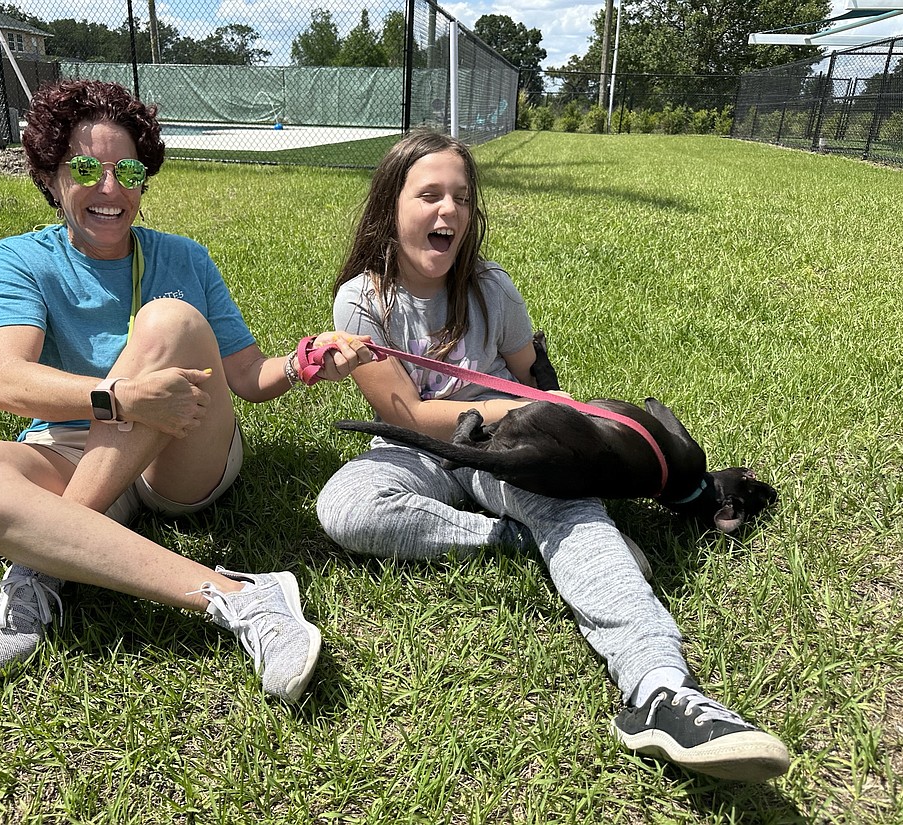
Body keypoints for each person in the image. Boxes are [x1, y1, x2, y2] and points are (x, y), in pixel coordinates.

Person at [316, 130, 791, 781]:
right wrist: (523, 413)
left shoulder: (491, 287)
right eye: (429, 194)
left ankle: (662, 689)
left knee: (573, 511)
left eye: (461, 196)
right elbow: (408, 417)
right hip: (417, 452)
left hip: (505, 450)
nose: (448, 211)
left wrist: (555, 425)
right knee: (346, 506)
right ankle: (513, 540)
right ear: (390, 206)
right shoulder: (362, 301)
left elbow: (528, 376)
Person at [0, 79, 371, 703]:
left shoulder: (184, 258)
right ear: (50, 176)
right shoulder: (20, 259)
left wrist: (302, 364)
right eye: (85, 168)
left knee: (170, 319)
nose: (110, 189)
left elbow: (246, 379)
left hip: (178, 455)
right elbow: (12, 384)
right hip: (74, 448)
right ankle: (247, 598)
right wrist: (125, 400)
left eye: (127, 170)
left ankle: (41, 566)